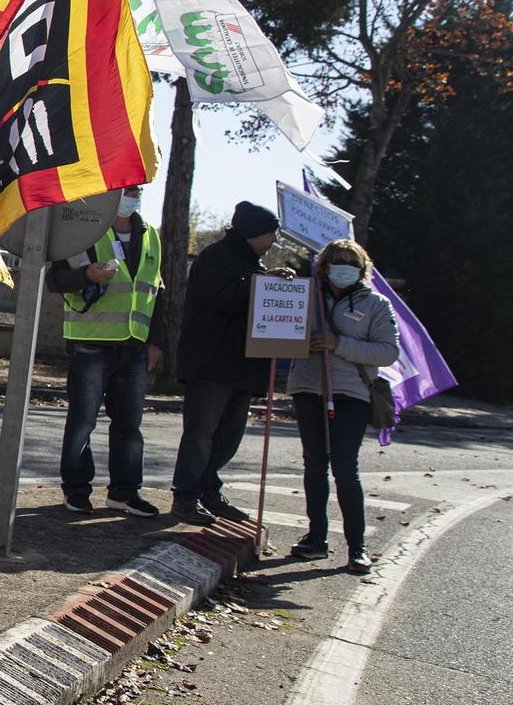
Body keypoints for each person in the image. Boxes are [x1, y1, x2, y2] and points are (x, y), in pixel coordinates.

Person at [49, 184, 165, 518]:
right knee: (83, 422)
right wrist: (86, 274)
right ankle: (76, 491)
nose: (134, 195)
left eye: (138, 189)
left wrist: (155, 341)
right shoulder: (81, 230)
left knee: (130, 425)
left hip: (133, 347)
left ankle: (124, 495)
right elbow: (55, 281)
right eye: (127, 188)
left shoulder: (150, 235)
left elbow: (156, 291)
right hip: (91, 343)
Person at [288, 239, 398, 574]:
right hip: (308, 388)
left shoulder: (377, 304)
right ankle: (316, 538)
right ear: (324, 264)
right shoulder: (303, 296)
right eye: (336, 259)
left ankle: (357, 548)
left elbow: (387, 352)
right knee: (313, 464)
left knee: (345, 467)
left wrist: (340, 345)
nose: (343, 264)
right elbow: (277, 325)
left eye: (350, 260)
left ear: (362, 266)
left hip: (351, 395)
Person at [169, 200, 280, 524]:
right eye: (270, 234)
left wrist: (273, 283)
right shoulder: (214, 258)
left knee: (228, 436)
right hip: (211, 365)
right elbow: (225, 298)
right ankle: (186, 497)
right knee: (201, 434)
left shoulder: (254, 266)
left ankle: (208, 491)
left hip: (243, 367)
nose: (273, 242)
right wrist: (264, 283)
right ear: (253, 232)